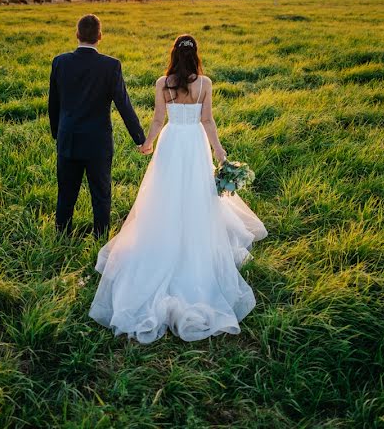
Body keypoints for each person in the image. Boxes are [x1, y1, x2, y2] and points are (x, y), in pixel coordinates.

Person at [88, 34, 267, 343]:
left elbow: (158, 119)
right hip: (194, 142)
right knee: (195, 197)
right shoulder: (205, 83)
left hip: (172, 142)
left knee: (164, 196)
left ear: (173, 55)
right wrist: (220, 154)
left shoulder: (163, 82)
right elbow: (208, 121)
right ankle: (191, 242)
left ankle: (164, 239)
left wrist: (148, 143)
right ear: (196, 55)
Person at [48, 14, 146, 235]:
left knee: (66, 192)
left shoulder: (60, 62)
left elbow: (53, 102)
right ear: (100, 36)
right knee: (101, 194)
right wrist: (140, 139)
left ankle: (62, 236)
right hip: (98, 143)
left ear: (77, 34)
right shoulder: (111, 66)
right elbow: (124, 104)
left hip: (68, 138)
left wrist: (57, 133)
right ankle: (100, 238)